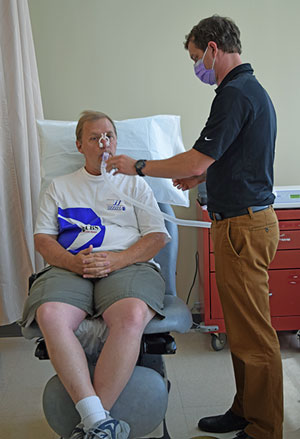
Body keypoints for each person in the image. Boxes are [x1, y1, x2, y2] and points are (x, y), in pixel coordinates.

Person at [105, 15, 283, 439]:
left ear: (212, 48)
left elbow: (197, 156)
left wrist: (140, 166)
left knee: (254, 335)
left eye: (195, 57)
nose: (197, 67)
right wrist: (203, 178)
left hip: (244, 226)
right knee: (240, 330)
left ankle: (264, 428)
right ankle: (245, 410)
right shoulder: (243, 92)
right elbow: (233, 156)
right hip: (240, 222)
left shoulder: (236, 94)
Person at [20, 110, 170, 439]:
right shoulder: (60, 187)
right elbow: (43, 239)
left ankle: (91, 424)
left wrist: (117, 262)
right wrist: (73, 263)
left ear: (116, 142)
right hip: (71, 266)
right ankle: (100, 425)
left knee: (131, 314)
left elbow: (157, 236)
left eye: (109, 136)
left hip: (127, 264)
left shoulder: (134, 185)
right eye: (94, 137)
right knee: (50, 313)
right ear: (79, 145)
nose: (104, 143)